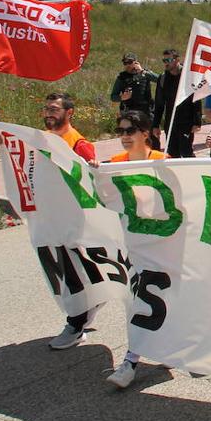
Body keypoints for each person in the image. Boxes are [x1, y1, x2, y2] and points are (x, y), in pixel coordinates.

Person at [99, 110, 169, 387]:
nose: (124, 136)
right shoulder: (115, 163)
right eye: (121, 131)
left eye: (130, 130)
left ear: (145, 133)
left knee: (162, 301)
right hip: (131, 246)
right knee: (137, 301)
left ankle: (161, 350)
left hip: (162, 246)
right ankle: (131, 360)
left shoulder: (162, 162)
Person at [42, 92, 100, 350]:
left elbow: (92, 185)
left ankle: (75, 325)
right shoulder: (44, 140)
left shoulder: (79, 144)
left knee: (75, 275)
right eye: (47, 109)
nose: (49, 113)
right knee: (78, 273)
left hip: (76, 224)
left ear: (69, 113)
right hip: (54, 220)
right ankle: (90, 306)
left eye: (54, 109)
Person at [151, 48, 201, 157]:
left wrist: (197, 122)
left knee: (186, 151)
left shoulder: (188, 76)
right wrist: (155, 125)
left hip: (186, 122)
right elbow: (159, 103)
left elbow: (196, 99)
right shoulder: (163, 78)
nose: (166, 64)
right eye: (164, 61)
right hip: (170, 121)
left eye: (168, 60)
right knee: (172, 152)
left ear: (177, 59)